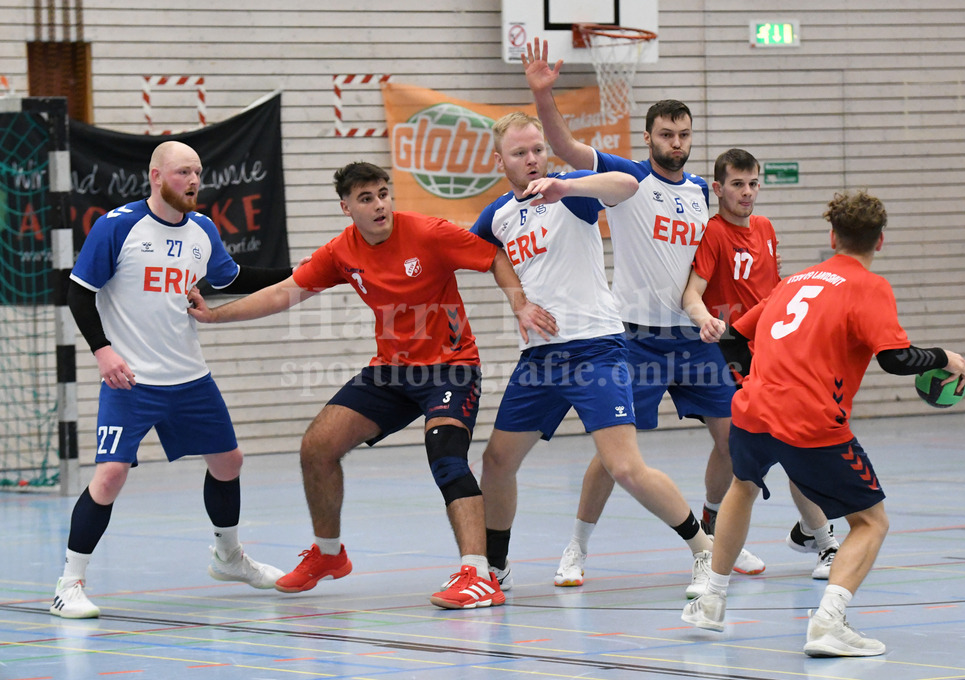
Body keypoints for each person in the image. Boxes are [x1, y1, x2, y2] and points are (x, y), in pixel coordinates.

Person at [188, 161, 556, 610]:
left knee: (445, 455)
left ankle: (478, 574)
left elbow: (493, 255)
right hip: (392, 371)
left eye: (383, 193)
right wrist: (215, 315)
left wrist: (519, 303)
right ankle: (328, 554)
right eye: (366, 198)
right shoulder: (342, 251)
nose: (379, 204)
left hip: (450, 367)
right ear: (347, 207)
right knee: (317, 446)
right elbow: (284, 292)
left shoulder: (428, 232)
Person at [681, 190, 965, 657]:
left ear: (832, 235)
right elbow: (896, 360)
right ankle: (829, 623)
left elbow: (733, 338)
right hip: (811, 421)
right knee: (871, 522)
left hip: (753, 409)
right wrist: (944, 357)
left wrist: (757, 379)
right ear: (880, 242)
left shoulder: (794, 281)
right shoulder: (868, 286)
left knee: (743, 486)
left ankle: (710, 600)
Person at [520, 38, 763, 587]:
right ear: (649, 137)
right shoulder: (627, 178)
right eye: (665, 135)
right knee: (613, 456)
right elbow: (565, 147)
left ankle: (716, 529)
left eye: (684, 135)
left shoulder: (705, 191)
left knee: (733, 441)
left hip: (697, 340)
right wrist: (542, 94)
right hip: (636, 339)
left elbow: (740, 239)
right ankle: (576, 547)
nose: (676, 143)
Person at [473, 111, 715, 599]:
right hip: (540, 357)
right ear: (502, 162)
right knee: (496, 461)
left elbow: (627, 183)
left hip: (595, 349)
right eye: (520, 153)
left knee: (625, 467)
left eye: (538, 148)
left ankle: (706, 551)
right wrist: (518, 300)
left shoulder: (569, 190)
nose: (533, 158)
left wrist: (569, 189)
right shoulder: (498, 212)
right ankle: (495, 569)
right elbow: (485, 250)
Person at [52, 141, 291, 619]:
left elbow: (232, 277)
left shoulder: (203, 230)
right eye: (183, 172)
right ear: (157, 177)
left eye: (198, 172)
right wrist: (103, 352)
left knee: (229, 462)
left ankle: (228, 558)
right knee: (111, 475)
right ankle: (68, 585)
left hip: (190, 378)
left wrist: (306, 272)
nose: (194, 180)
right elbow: (78, 293)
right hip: (131, 380)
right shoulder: (118, 226)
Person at [681, 148, 841, 580]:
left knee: (777, 438)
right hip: (731, 349)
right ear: (718, 188)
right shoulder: (713, 233)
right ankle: (821, 538)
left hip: (773, 348)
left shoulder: (766, 228)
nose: (747, 192)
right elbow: (691, 291)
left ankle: (811, 532)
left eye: (753, 183)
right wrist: (705, 321)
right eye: (737, 184)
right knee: (757, 441)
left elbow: (770, 288)